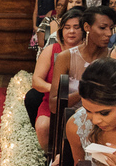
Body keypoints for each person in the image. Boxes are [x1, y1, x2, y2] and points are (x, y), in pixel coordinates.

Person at [31, 8, 84, 148]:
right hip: (52, 102)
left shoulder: (87, 52)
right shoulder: (52, 49)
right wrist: (57, 90)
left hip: (82, 103)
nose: (71, 31)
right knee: (43, 126)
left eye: (76, 27)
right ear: (61, 30)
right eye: (67, 27)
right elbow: (36, 81)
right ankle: (49, 157)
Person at [49, 6, 115, 111]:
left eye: (111, 28)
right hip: (72, 117)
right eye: (102, 28)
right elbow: (53, 106)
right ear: (87, 27)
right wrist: (85, 90)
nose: (109, 34)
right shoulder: (66, 57)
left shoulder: (114, 57)